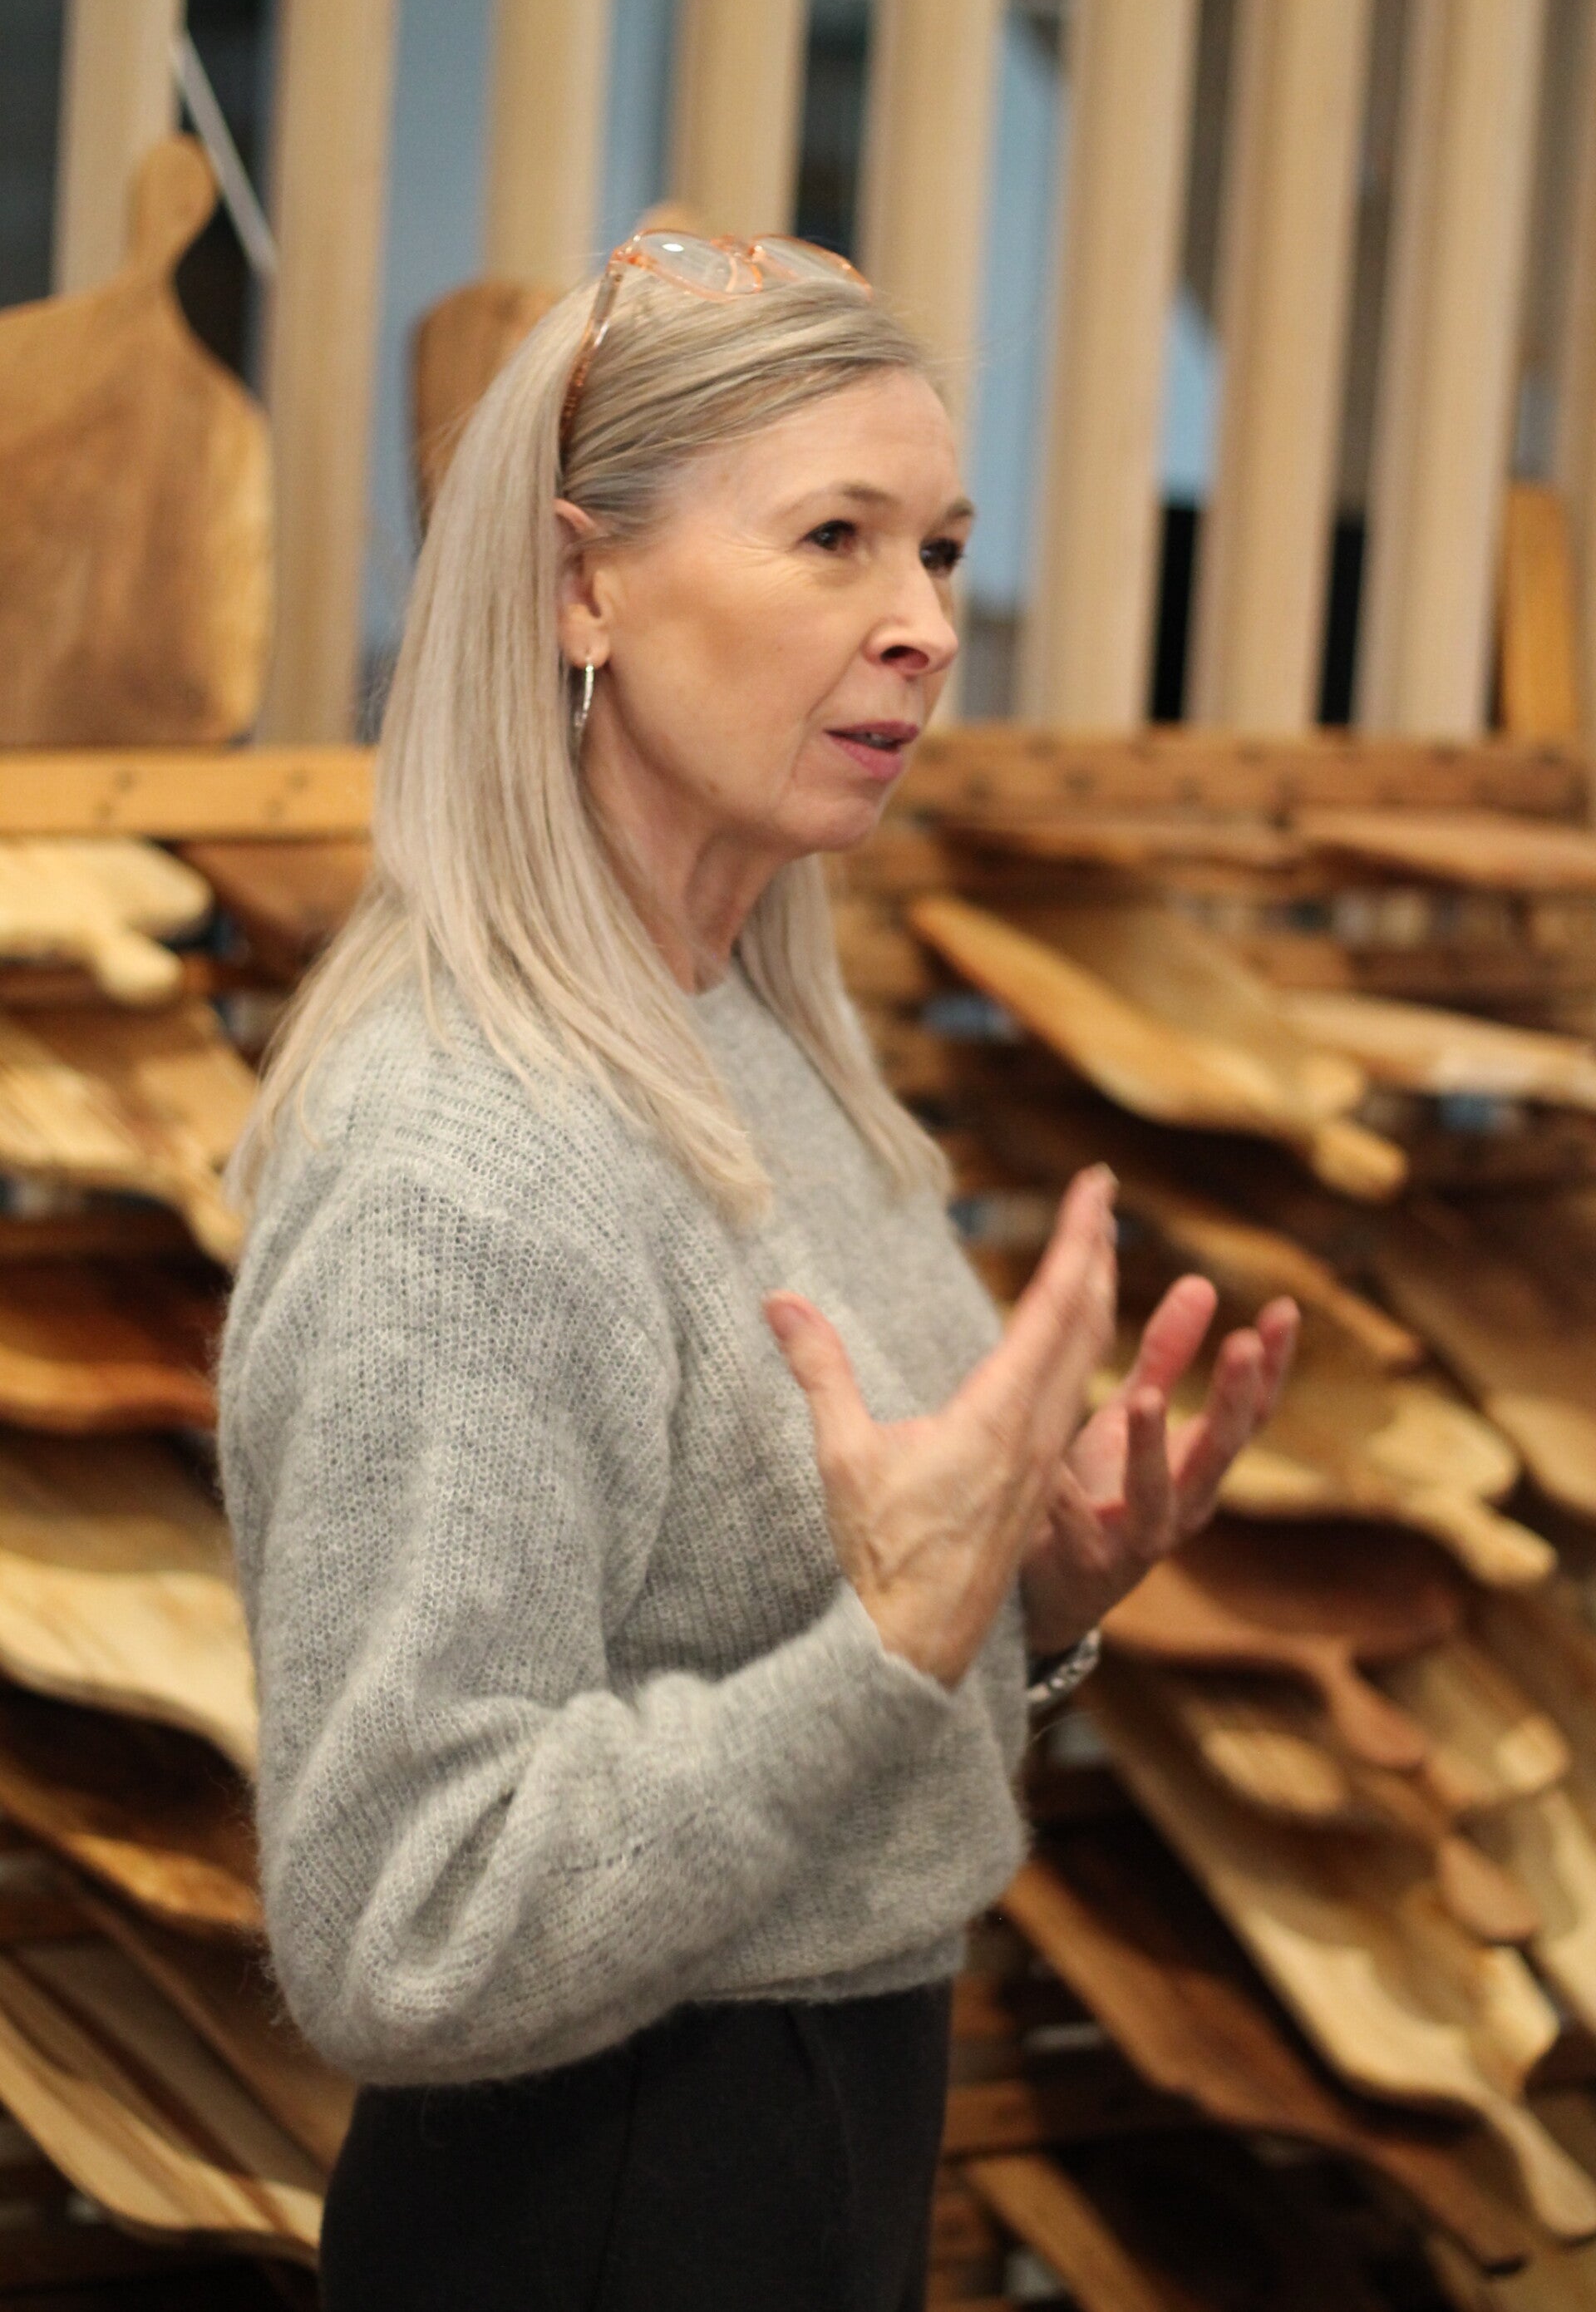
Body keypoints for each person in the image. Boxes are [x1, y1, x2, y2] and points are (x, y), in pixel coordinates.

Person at [219, 232, 1297, 2312]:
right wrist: (886, 1647)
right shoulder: (462, 1166)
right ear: (582, 587)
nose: (925, 626)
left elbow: (778, 1648)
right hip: (604, 2203)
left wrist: (1025, 1592)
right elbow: (403, 1925)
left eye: (941, 549)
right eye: (834, 539)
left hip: (805, 2144)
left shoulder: (754, 1036)